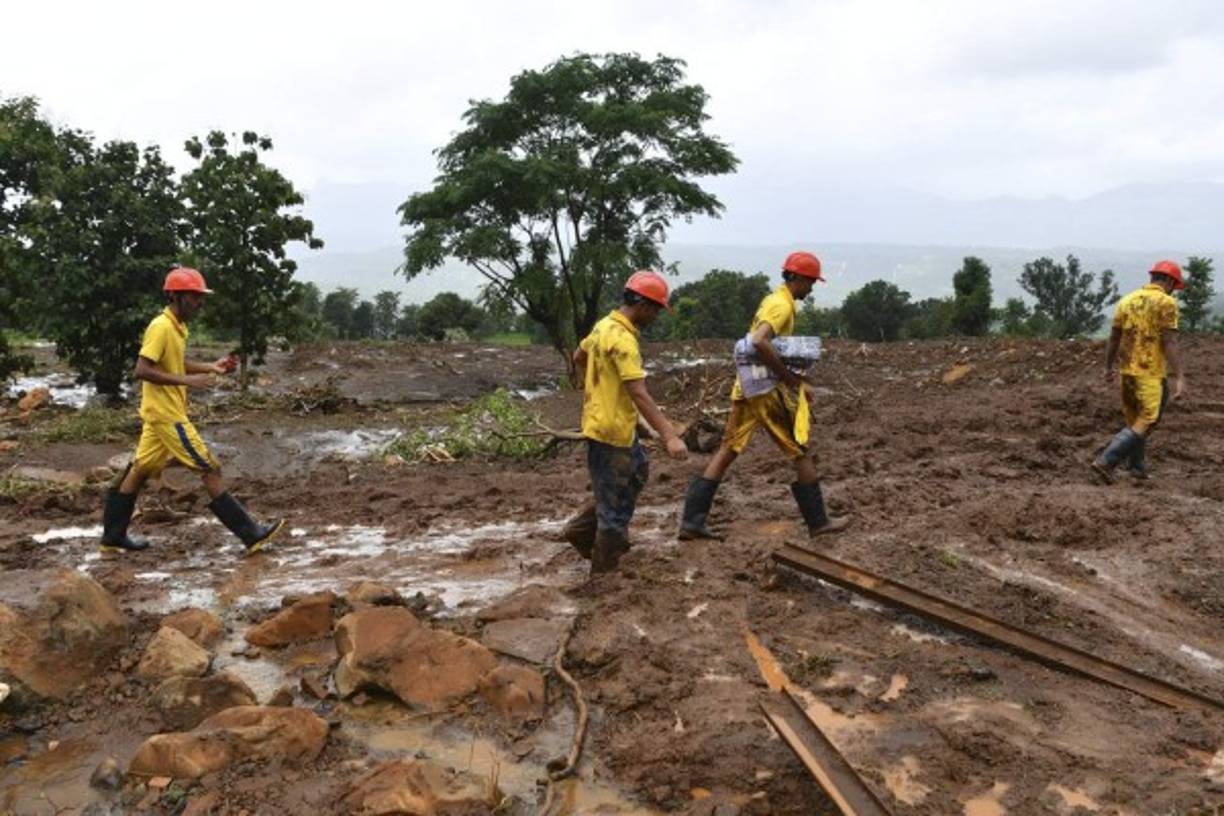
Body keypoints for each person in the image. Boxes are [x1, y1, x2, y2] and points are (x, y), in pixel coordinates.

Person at [99, 267, 284, 554]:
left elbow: (172, 363)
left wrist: (210, 366)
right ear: (175, 296)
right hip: (167, 415)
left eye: (201, 297)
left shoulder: (178, 327)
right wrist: (188, 381)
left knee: (140, 470)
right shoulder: (160, 327)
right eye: (194, 297)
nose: (200, 303)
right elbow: (142, 370)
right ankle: (251, 535)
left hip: (159, 413)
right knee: (209, 468)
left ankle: (112, 538)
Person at [677, 251, 848, 540]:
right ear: (797, 277)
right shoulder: (781, 305)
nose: (811, 288)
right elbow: (759, 341)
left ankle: (691, 523)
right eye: (810, 281)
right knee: (799, 449)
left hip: (747, 386)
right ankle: (819, 522)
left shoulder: (773, 300)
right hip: (766, 391)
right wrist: (790, 378)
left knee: (728, 448)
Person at [561, 270, 688, 575]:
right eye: (656, 309)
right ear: (642, 305)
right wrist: (669, 435)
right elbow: (639, 393)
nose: (656, 316)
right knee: (614, 513)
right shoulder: (623, 340)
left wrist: (600, 385)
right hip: (611, 434)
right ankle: (603, 576)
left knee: (638, 472)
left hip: (611, 426)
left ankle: (583, 531)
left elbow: (579, 356)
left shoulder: (603, 326)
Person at [1092, 260, 1185, 483]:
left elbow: (1114, 338)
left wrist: (1108, 367)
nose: (1173, 290)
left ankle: (1136, 467)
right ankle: (1106, 460)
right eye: (1174, 286)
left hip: (1127, 374)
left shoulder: (1127, 300)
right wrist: (1179, 376)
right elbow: (1169, 341)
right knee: (1148, 420)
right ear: (1169, 281)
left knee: (1136, 421)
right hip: (1150, 374)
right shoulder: (1166, 302)